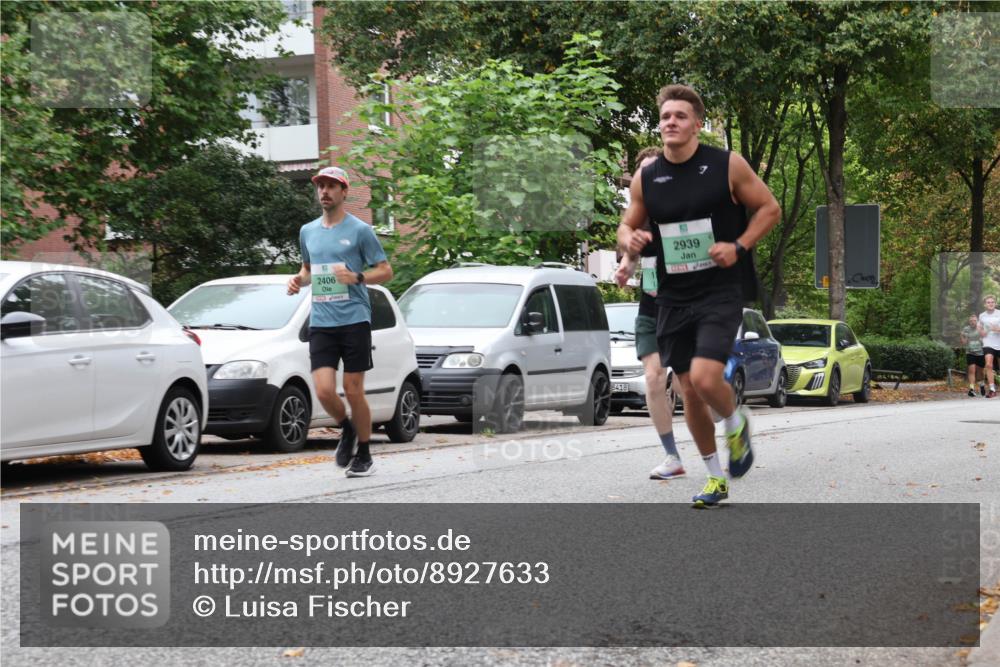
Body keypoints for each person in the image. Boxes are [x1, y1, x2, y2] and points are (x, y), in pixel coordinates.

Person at [617, 84, 781, 508]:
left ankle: (734, 420)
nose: (671, 122)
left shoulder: (726, 165)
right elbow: (625, 226)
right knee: (687, 390)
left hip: (720, 290)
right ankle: (714, 477)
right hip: (672, 296)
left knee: (708, 378)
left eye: (680, 116)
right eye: (666, 116)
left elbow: (769, 208)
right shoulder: (647, 177)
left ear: (697, 124)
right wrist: (629, 240)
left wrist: (739, 246)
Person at [288, 166, 394, 476]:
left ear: (344, 192)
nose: (325, 191)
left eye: (332, 186)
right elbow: (308, 270)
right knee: (322, 390)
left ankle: (364, 454)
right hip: (321, 320)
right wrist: (298, 280)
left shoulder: (361, 230)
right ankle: (347, 429)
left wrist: (356, 277)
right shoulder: (308, 231)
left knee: (353, 389)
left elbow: (385, 271)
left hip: (354, 319)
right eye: (321, 186)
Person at [614, 146, 683, 480]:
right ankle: (672, 455)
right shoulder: (637, 215)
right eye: (640, 174)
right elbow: (631, 251)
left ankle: (730, 421)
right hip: (652, 303)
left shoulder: (685, 205)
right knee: (654, 378)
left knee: (689, 385)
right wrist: (626, 267)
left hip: (687, 302)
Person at [960, 313, 986, 397]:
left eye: (974, 320)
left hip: (980, 352)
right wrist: (962, 336)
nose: (972, 322)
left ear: (977, 321)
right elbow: (963, 342)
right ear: (969, 322)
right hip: (970, 352)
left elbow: (985, 339)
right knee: (972, 370)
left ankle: (982, 385)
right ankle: (971, 389)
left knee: (980, 372)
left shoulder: (980, 328)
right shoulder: (966, 329)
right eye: (971, 321)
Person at [979, 295, 1000, 398]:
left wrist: (997, 329)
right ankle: (992, 389)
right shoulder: (982, 316)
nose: (990, 303)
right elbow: (980, 329)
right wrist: (982, 332)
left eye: (992, 302)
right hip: (988, 343)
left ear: (995, 303)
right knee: (988, 364)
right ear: (985, 304)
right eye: (988, 302)